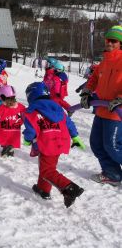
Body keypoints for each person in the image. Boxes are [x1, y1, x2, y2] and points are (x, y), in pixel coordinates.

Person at [23, 82, 86, 208]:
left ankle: (70, 187)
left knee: (47, 170)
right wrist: (75, 137)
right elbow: (69, 123)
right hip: (60, 142)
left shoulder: (31, 111)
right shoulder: (58, 108)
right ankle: (43, 190)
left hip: (46, 143)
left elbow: (31, 130)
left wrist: (27, 139)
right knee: (48, 167)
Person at [80, 25, 122, 186]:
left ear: (120, 43)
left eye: (114, 41)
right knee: (96, 144)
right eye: (108, 40)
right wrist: (87, 92)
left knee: (113, 146)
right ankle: (113, 174)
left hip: (117, 112)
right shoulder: (104, 61)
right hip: (102, 109)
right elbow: (94, 78)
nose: (109, 43)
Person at [0, 85, 26, 157]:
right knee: (11, 140)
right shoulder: (20, 106)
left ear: (3, 97)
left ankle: (6, 152)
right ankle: (10, 151)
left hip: (4, 130)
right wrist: (20, 122)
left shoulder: (2, 108)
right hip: (15, 130)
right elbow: (25, 115)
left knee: (5, 140)